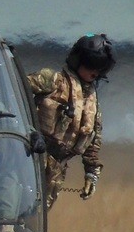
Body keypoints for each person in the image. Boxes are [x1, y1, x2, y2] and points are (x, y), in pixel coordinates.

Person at [26, 34, 115, 210]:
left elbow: (93, 139)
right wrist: (29, 132)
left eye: (99, 68)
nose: (94, 72)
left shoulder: (92, 101)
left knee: (35, 221)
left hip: (57, 170)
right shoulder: (53, 80)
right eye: (91, 65)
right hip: (31, 158)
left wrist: (91, 174)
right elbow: (15, 91)